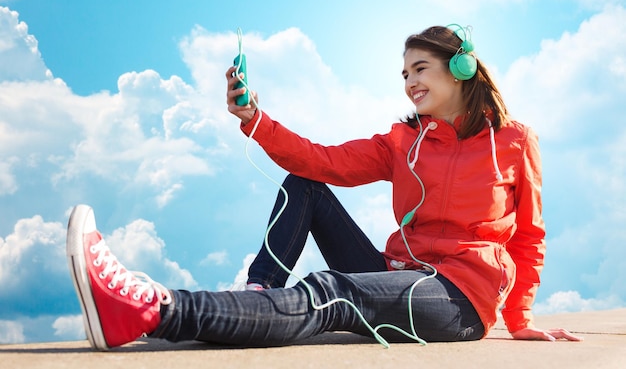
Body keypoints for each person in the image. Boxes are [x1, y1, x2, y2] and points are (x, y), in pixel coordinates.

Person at [66, 25, 582, 351]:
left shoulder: (513, 141)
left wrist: (519, 319)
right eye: (404, 73)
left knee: (334, 291)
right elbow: (322, 160)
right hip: (398, 273)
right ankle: (258, 296)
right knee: (306, 183)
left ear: (461, 68)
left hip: (458, 298)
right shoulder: (403, 141)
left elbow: (530, 235)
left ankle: (152, 309)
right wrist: (255, 118)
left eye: (420, 68)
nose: (409, 81)